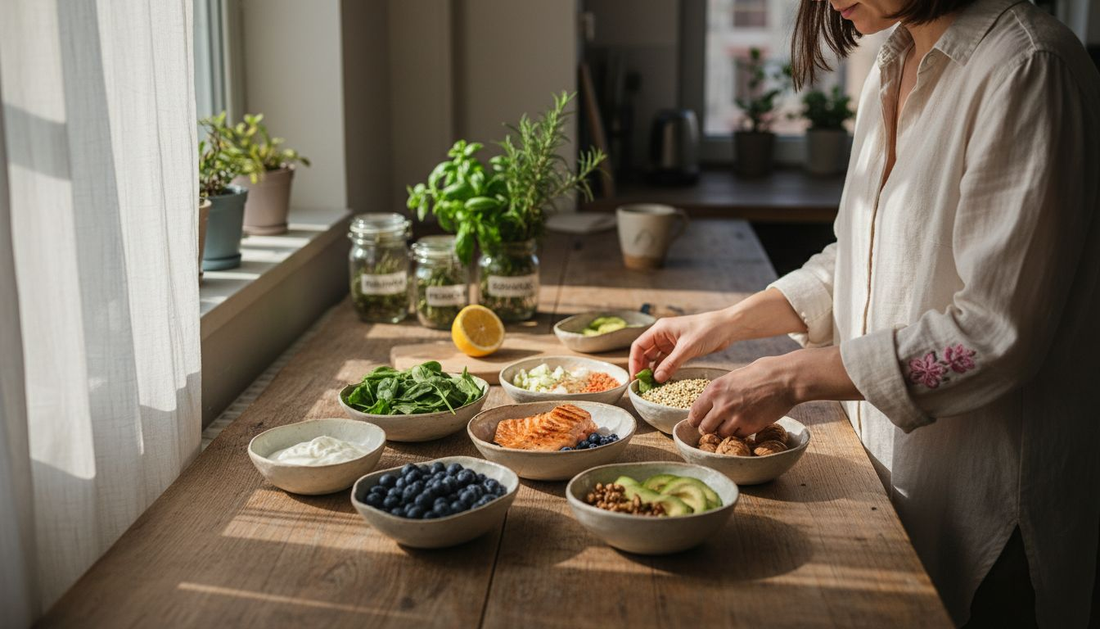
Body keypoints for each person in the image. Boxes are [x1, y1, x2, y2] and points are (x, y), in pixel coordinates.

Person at [629, 0, 1100, 626]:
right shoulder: (894, 58)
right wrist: (725, 323)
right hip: (885, 479)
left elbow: (995, 332)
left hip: (987, 508)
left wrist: (793, 376)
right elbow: (863, 257)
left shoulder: (1027, 68)